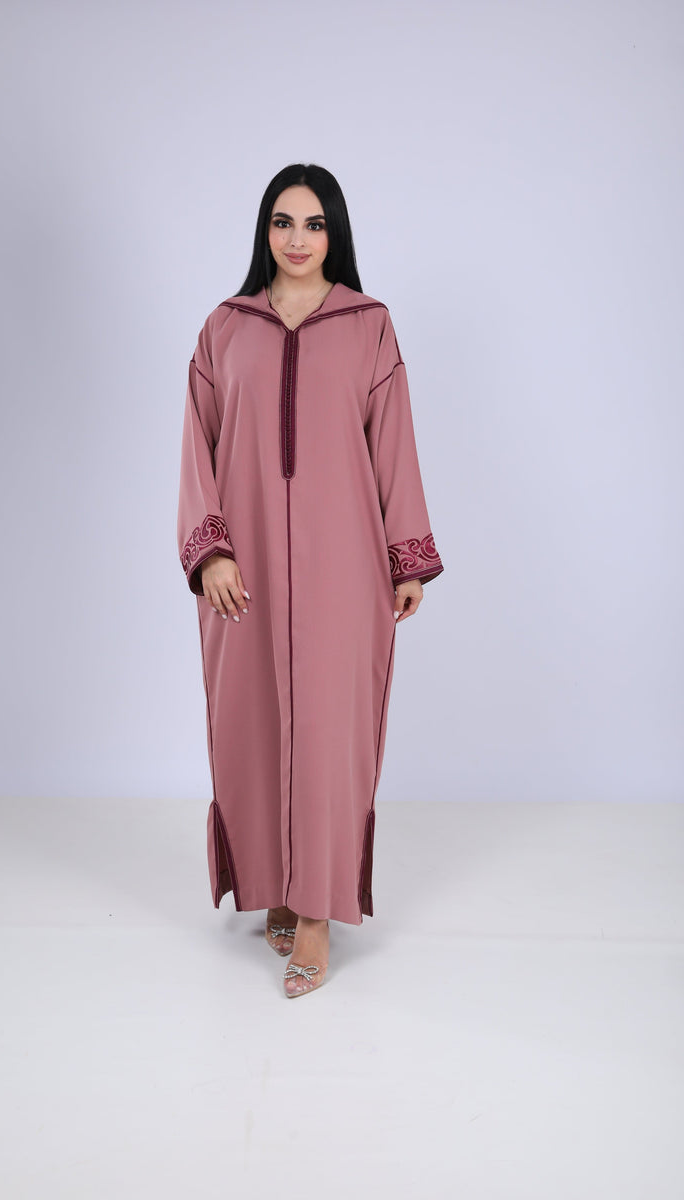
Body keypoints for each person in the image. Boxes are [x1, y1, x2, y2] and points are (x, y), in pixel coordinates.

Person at [177, 163, 444, 998]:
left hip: (344, 570)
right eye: (283, 222)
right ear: (265, 230)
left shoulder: (368, 325)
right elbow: (197, 445)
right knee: (251, 727)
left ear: (336, 233)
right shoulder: (226, 328)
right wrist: (211, 551)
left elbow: (393, 443)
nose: (298, 239)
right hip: (243, 571)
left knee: (330, 734)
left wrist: (405, 556)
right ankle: (275, 888)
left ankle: (319, 911)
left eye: (315, 223)